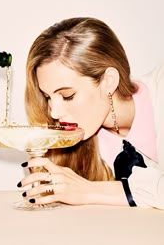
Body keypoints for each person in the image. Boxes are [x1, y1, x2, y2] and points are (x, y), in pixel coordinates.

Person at [17, 17, 164, 209]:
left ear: (109, 81)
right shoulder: (82, 138)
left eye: (67, 96)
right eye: (48, 97)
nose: (54, 112)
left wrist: (89, 190)